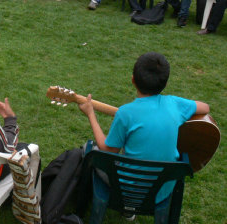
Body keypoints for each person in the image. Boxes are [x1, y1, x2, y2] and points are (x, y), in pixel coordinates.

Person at [78, 52, 210, 223]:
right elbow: (205, 107)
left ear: (133, 80)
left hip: (125, 188)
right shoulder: (175, 104)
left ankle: (85, 207)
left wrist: (90, 114)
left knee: (92, 152)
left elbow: (107, 149)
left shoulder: (125, 113)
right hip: (163, 187)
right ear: (165, 83)